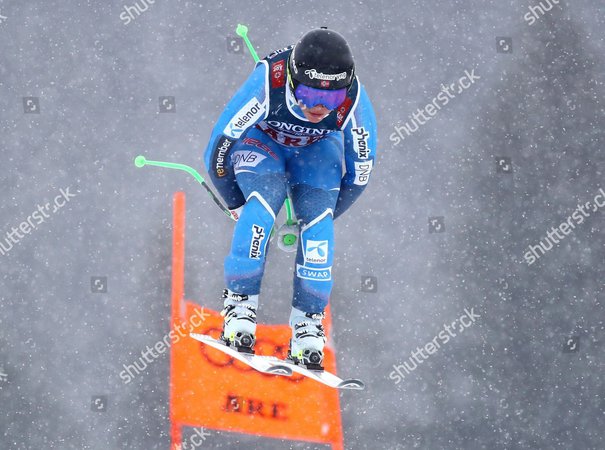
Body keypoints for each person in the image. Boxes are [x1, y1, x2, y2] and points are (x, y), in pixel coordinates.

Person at [203, 27, 377, 368]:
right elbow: (218, 149)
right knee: (261, 210)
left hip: (315, 154)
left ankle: (308, 327)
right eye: (311, 96)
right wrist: (234, 201)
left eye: (330, 100)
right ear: (294, 82)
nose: (318, 108)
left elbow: (360, 175)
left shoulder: (354, 102)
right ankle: (239, 308)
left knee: (319, 226)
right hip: (263, 143)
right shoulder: (270, 82)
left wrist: (318, 217)